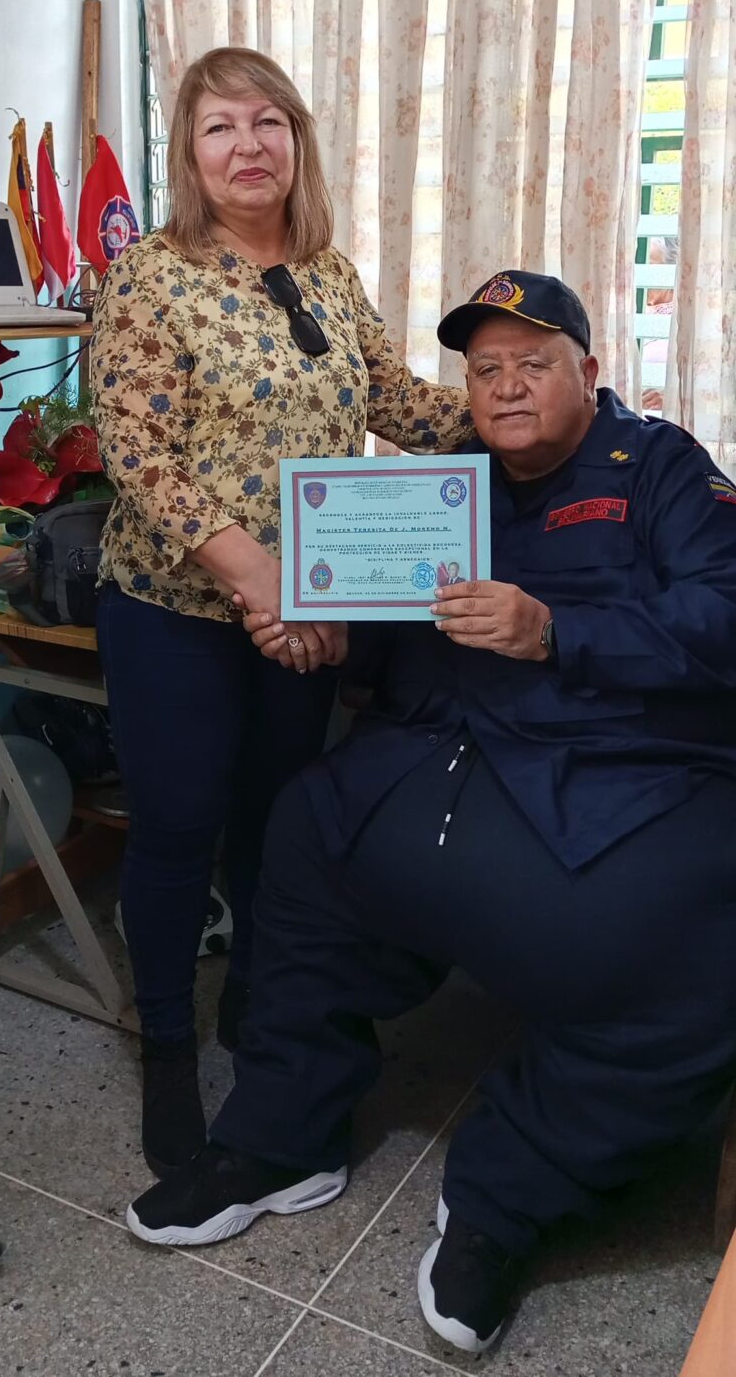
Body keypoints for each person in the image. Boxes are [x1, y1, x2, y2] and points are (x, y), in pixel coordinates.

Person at [124, 269, 736, 1356]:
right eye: (485, 368)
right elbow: (391, 637)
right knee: (307, 827)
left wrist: (555, 629)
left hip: (611, 774)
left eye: (533, 363)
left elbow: (724, 619)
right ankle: (282, 1138)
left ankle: (507, 1196)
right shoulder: (441, 484)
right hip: (440, 758)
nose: (505, 387)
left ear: (590, 373)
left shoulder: (662, 469)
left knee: (686, 939)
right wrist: (325, 634)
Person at [91, 46, 471, 1179]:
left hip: (311, 608)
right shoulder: (151, 277)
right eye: (220, 127)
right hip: (179, 606)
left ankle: (258, 1002)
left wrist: (524, 404)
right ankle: (165, 1041)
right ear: (191, 154)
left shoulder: (330, 271)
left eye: (268, 122)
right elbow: (140, 455)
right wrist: (258, 577)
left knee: (274, 818)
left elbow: (395, 402)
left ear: (296, 140)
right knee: (175, 824)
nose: (248, 145)